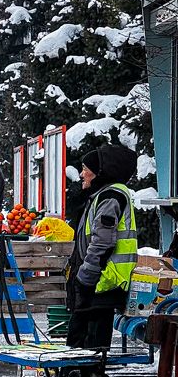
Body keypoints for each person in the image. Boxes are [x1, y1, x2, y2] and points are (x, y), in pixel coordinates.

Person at [66, 143, 138, 349]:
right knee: (83, 331)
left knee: (89, 336)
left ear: (99, 173)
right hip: (101, 275)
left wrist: (86, 275)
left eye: (85, 170)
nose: (81, 174)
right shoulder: (103, 195)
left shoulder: (110, 197)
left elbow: (103, 241)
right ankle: (78, 376)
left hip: (103, 277)